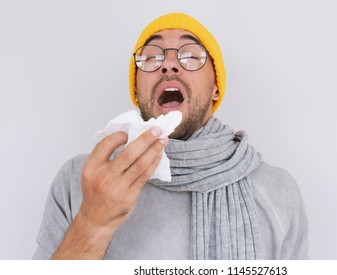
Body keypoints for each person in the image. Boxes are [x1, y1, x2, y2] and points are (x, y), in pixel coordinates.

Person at [33, 13, 308, 260]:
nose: (169, 65)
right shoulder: (83, 178)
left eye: (190, 56)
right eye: (151, 57)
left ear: (215, 88)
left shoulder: (278, 190)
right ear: (137, 90)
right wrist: (92, 224)